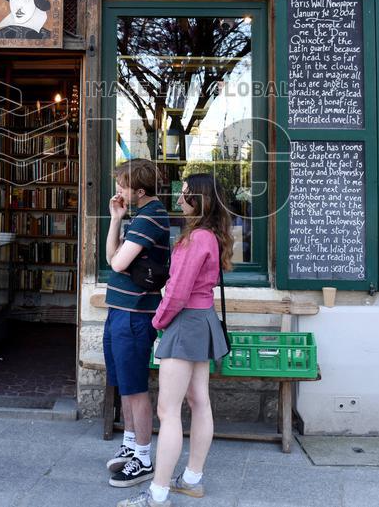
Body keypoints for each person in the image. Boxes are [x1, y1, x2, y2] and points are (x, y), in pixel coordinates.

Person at [118, 174, 233, 507]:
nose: (179, 200)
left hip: (185, 323)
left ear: (199, 200)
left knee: (167, 411)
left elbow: (178, 292)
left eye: (184, 195)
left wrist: (158, 322)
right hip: (204, 319)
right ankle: (192, 480)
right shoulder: (211, 236)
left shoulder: (194, 239)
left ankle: (157, 494)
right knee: (199, 402)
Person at [104, 159, 170, 489]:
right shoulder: (138, 216)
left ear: (139, 190)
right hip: (121, 309)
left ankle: (142, 458)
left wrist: (121, 230)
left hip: (135, 313)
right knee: (124, 385)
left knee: (135, 389)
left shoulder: (150, 217)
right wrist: (116, 219)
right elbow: (110, 257)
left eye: (122, 184)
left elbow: (117, 263)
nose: (118, 189)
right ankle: (130, 445)